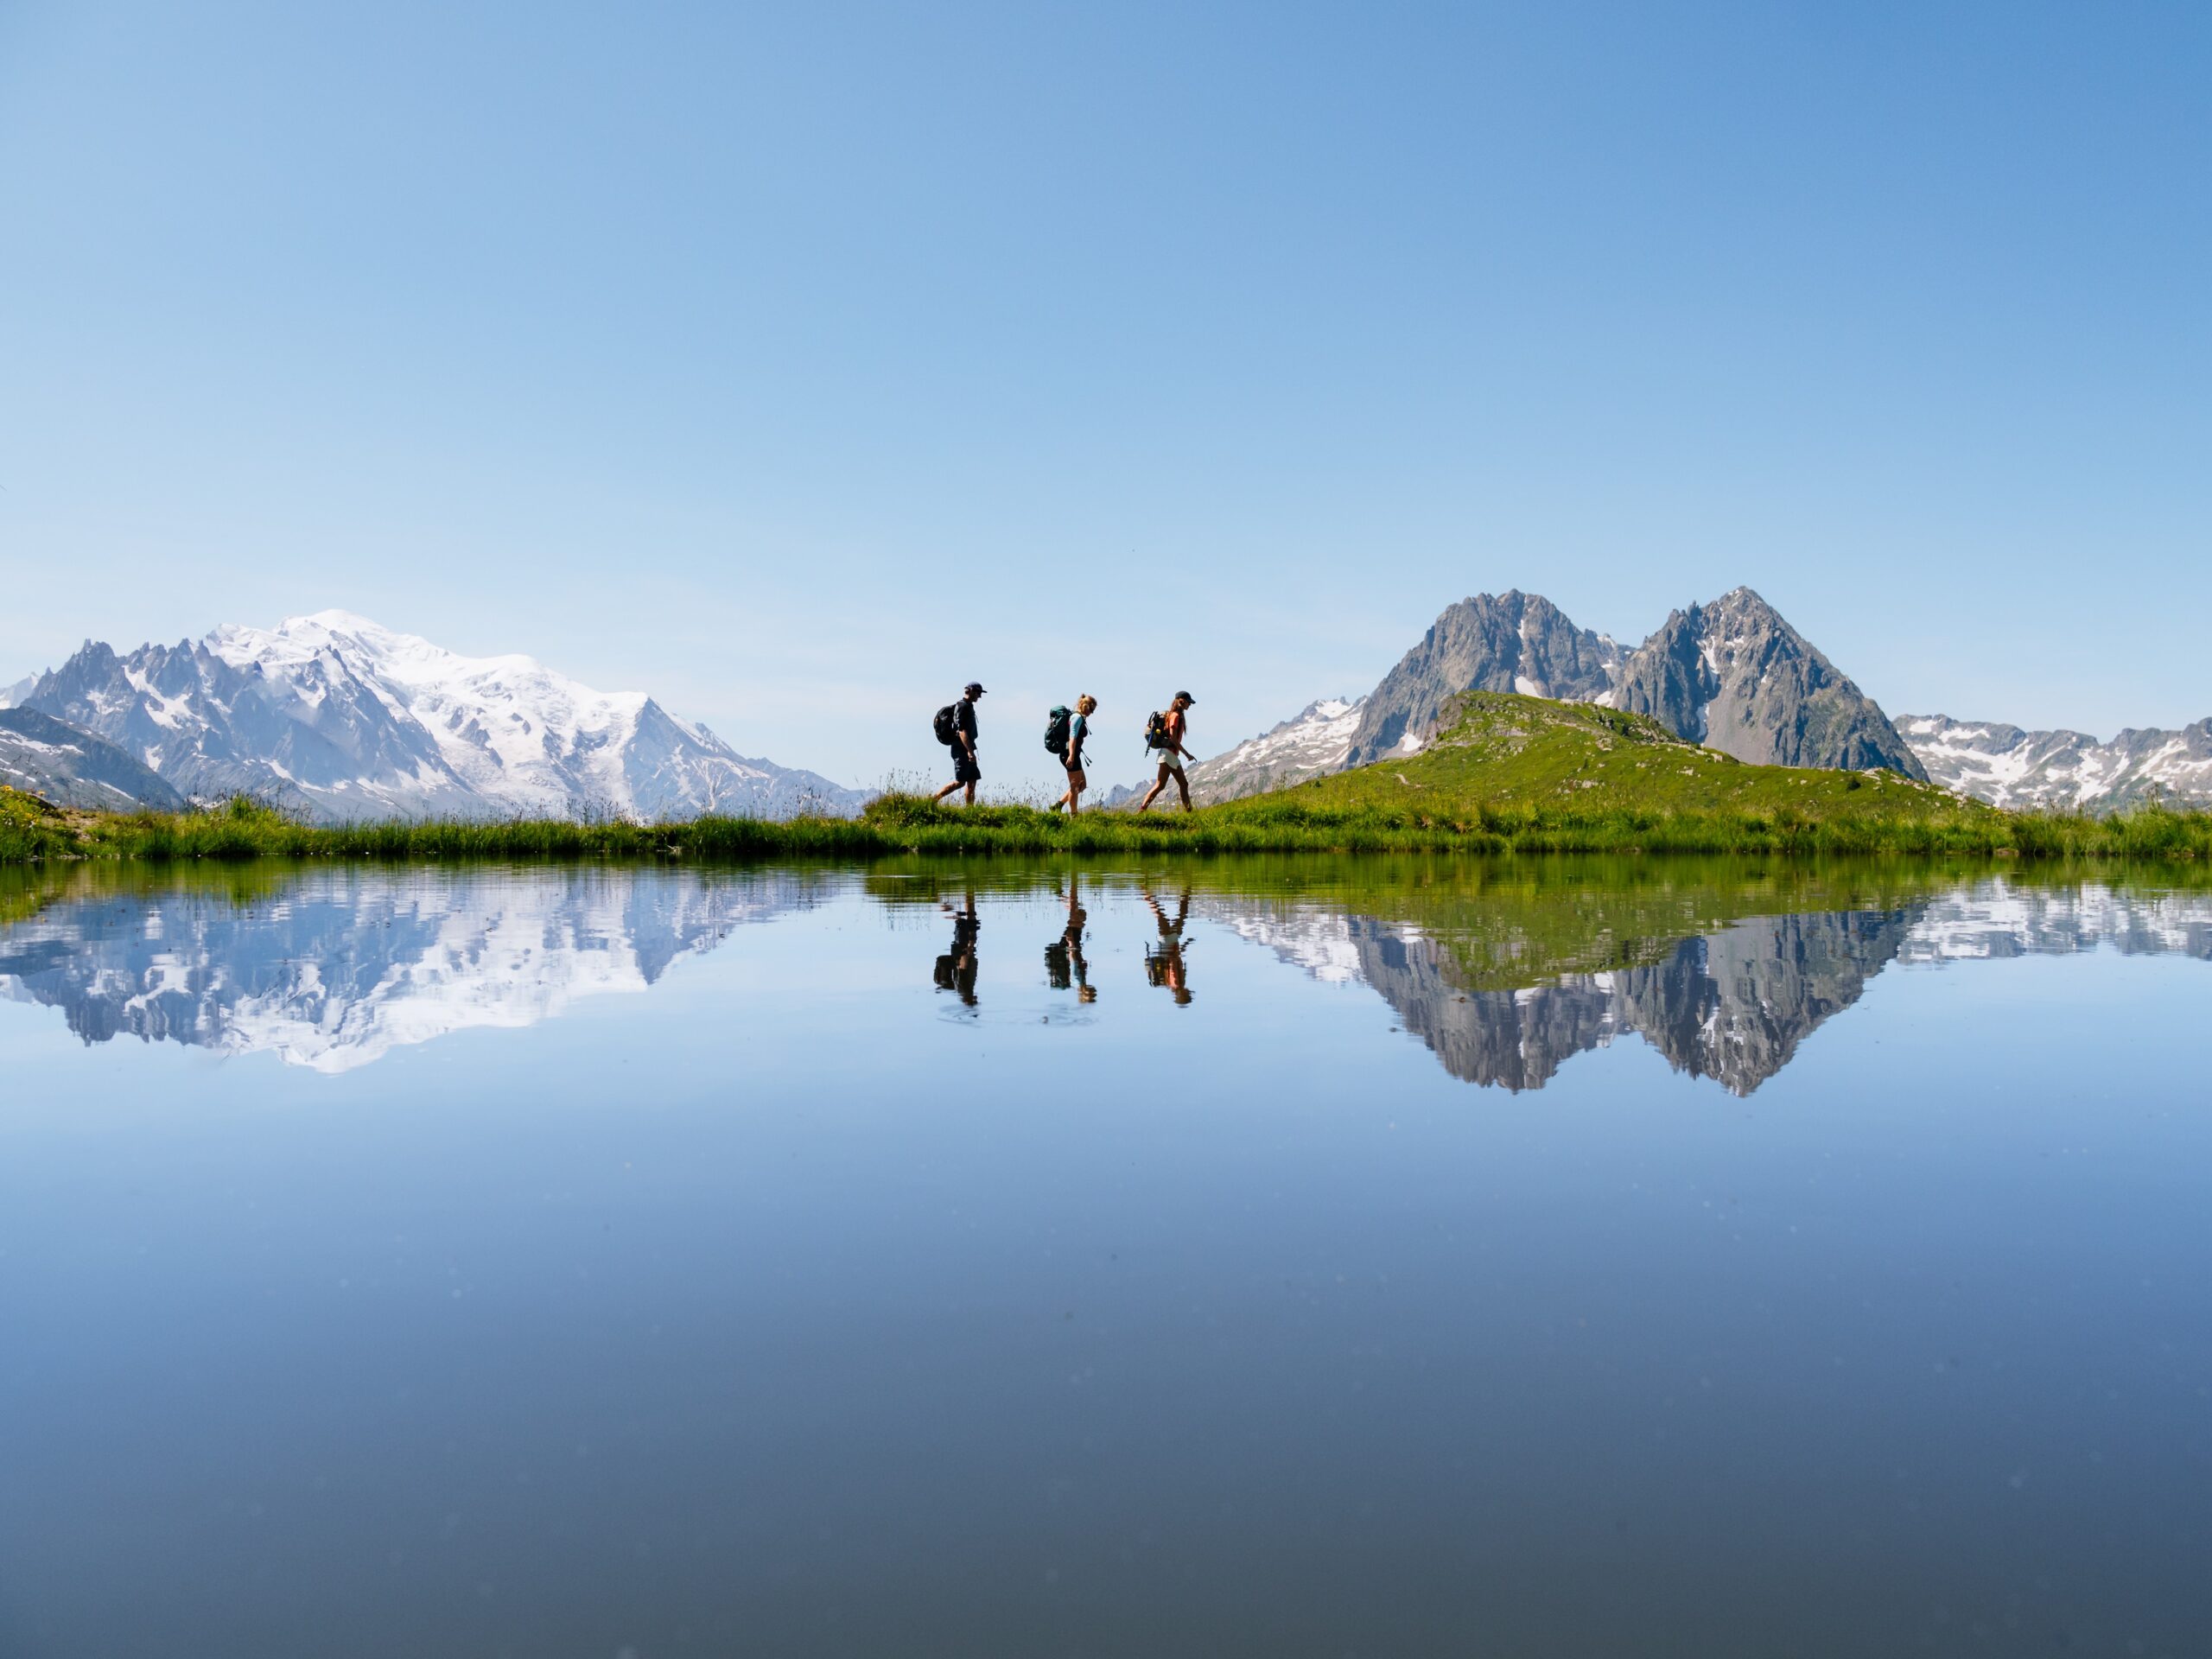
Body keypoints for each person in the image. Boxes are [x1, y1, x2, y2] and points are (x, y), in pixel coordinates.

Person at [1136, 690, 1197, 813]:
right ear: (1182, 701)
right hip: (1168, 754)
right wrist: (1187, 754)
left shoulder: (1176, 716)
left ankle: (1190, 813)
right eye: (1188, 702)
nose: (1189, 705)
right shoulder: (1174, 716)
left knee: (1183, 784)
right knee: (1161, 785)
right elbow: (1172, 738)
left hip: (1171, 755)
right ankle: (1141, 810)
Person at [1043, 874, 1096, 1002]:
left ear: (1084, 994)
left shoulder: (1077, 981)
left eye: (1091, 994)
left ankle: (1073, 879)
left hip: (1072, 944)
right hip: (1073, 944)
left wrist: (1071, 943)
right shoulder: (1077, 984)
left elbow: (1073, 961)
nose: (1094, 991)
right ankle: (1063, 893)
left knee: (1075, 912)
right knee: (1079, 914)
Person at [933, 682, 985, 804]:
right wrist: (970, 752)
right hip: (961, 748)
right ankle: (933, 800)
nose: (980, 696)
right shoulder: (963, 707)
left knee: (972, 780)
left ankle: (969, 811)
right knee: (960, 781)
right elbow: (962, 731)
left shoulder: (968, 706)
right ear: (971, 691)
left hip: (968, 747)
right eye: (978, 692)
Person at [1141, 884, 1193, 1005]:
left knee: (1162, 914)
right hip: (1167, 943)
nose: (1188, 991)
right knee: (1173, 914)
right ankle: (1187, 889)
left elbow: (1173, 964)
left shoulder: (1176, 982)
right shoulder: (1170, 985)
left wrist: (1177, 953)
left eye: (1187, 994)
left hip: (1169, 943)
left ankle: (1145, 892)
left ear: (1183, 994)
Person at [1050, 694, 1097, 816]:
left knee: (1082, 785)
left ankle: (1058, 806)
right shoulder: (1077, 718)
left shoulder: (1076, 717)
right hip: (1070, 755)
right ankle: (1074, 815)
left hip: (1072, 754)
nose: (1092, 713)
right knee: (1075, 788)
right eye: (1091, 710)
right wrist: (1071, 755)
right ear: (1085, 706)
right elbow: (1072, 737)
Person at [932, 888, 981, 1009]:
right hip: (965, 949)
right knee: (966, 920)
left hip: (963, 949)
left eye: (973, 1001)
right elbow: (963, 969)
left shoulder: (964, 990)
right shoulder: (965, 990)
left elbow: (962, 968)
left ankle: (946, 904)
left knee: (963, 921)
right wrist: (969, 948)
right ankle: (966, 894)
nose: (976, 999)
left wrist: (968, 949)